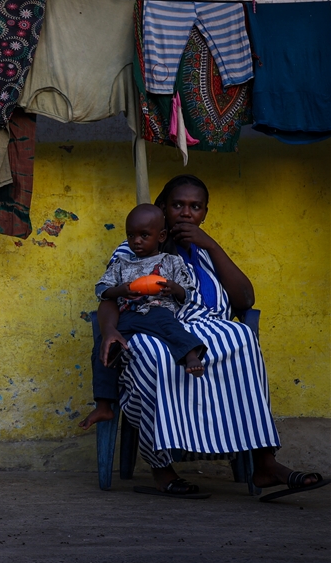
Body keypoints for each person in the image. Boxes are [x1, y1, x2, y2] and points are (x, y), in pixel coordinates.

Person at [96, 175, 328, 500]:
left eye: (195, 207)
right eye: (178, 205)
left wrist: (211, 245)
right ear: (163, 208)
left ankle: (265, 462)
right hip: (155, 326)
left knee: (243, 339)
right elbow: (108, 297)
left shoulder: (204, 251)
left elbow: (245, 300)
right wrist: (109, 329)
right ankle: (162, 469)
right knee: (153, 355)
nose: (186, 213)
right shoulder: (138, 245)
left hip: (208, 327)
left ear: (205, 213)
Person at [79, 204, 206, 429]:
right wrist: (121, 290)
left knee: (171, 329)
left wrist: (172, 288)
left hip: (157, 311)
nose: (136, 241)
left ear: (161, 236)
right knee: (105, 348)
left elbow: (187, 293)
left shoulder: (171, 262)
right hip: (126, 316)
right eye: (131, 235)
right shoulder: (121, 263)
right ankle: (104, 405)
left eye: (144, 235)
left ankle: (192, 356)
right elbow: (101, 290)